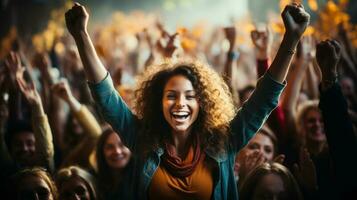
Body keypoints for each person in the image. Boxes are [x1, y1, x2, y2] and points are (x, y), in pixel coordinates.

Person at [65, 2, 309, 199]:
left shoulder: (225, 141)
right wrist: (81, 36)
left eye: (190, 97)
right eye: (171, 96)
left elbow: (264, 99)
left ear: (202, 104)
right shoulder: (143, 141)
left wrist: (291, 40)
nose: (180, 103)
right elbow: (107, 98)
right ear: (157, 103)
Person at [95, 128, 132, 200]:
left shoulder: (143, 179)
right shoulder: (94, 181)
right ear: (101, 153)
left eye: (122, 145)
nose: (117, 151)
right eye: (110, 147)